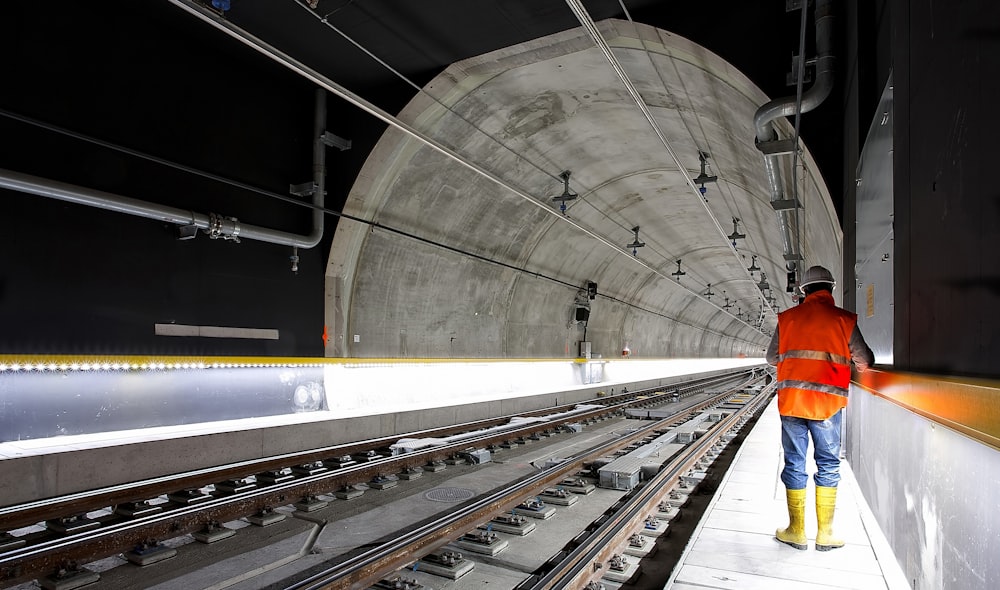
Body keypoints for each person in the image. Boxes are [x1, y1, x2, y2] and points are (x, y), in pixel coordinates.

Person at [765, 265, 874, 551]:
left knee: (795, 461)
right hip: (827, 405)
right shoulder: (844, 320)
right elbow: (864, 360)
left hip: (792, 403)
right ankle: (825, 533)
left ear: (803, 291)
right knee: (827, 463)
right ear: (831, 288)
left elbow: (771, 357)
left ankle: (796, 531)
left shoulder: (787, 319)